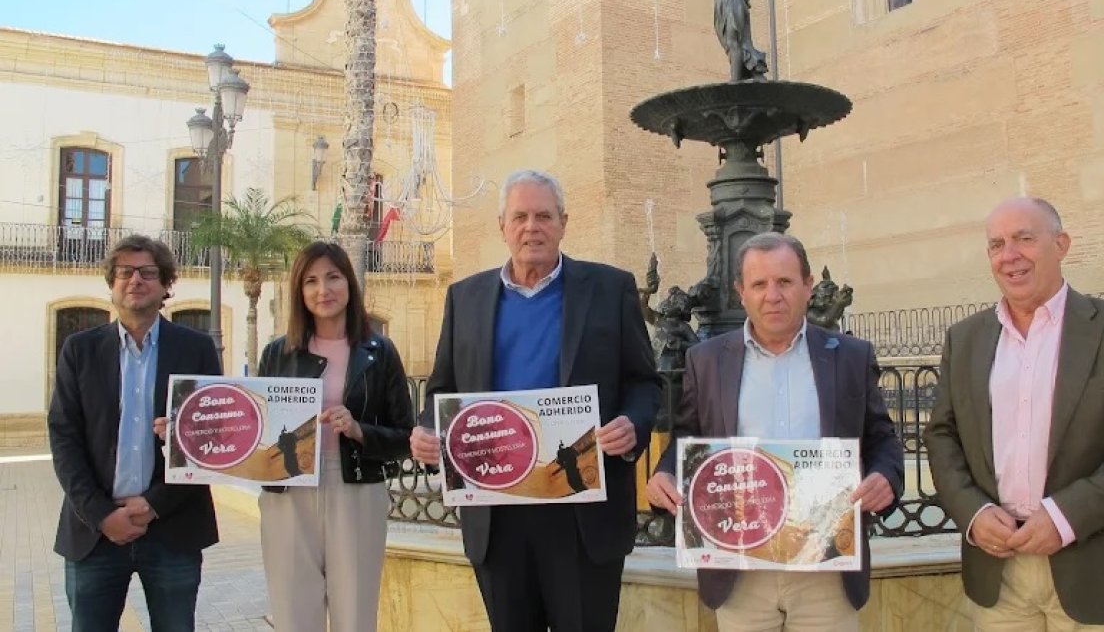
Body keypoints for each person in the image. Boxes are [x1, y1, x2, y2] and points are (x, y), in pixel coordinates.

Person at [410, 169, 662, 632]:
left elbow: (645, 382)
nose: (533, 227)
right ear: (502, 226)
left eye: (544, 215)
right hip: (496, 513)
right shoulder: (464, 298)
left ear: (564, 222)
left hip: (582, 513)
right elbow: (442, 390)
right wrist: (427, 430)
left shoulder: (610, 289)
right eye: (520, 216)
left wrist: (632, 424)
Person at [925, 198, 1104, 630]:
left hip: (1098, 569)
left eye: (1025, 238)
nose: (1010, 255)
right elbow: (942, 436)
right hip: (998, 576)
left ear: (1061, 244)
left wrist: (1064, 517)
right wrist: (973, 512)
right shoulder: (965, 339)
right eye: (997, 244)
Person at [646, 231, 903, 632]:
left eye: (784, 282)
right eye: (759, 284)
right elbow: (686, 437)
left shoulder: (851, 356)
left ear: (807, 285)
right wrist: (666, 472)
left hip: (826, 565)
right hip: (740, 568)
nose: (773, 295)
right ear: (740, 292)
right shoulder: (707, 360)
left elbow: (881, 437)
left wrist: (885, 477)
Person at [156, 241, 414, 631]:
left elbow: (403, 435)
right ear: (299, 291)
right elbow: (253, 425)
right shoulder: (279, 352)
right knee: (294, 611)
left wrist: (360, 430)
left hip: (357, 491)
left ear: (349, 284)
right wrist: (185, 430)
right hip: (287, 492)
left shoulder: (379, 350)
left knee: (356, 613)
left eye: (332, 277)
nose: (322, 289)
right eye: (310, 280)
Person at [48, 234, 221, 632]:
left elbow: (213, 437)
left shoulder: (196, 350)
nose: (135, 280)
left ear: (165, 285)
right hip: (95, 533)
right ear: (112, 283)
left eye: (147, 272)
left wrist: (154, 503)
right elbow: (64, 438)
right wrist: (102, 514)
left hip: (173, 528)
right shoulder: (79, 350)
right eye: (125, 272)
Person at [697, 0, 769, 81]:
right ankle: (739, 74)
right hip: (722, 10)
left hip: (735, 6)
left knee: (734, 40)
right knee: (730, 45)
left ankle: (735, 81)